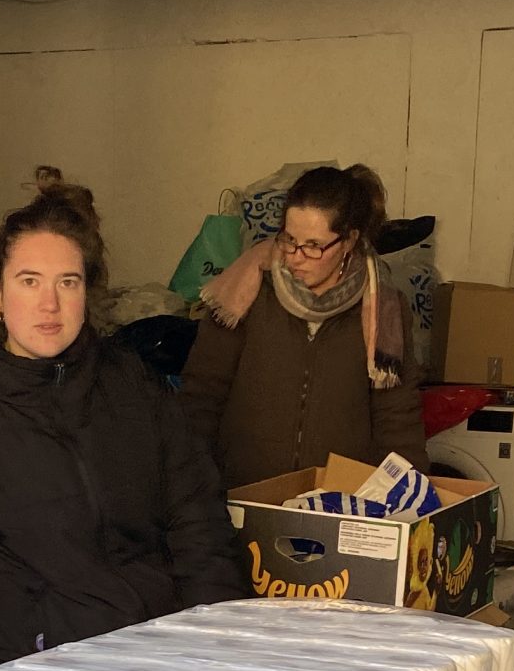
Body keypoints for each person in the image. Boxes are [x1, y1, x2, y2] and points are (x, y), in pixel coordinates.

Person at [0, 173, 250, 671]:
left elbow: (199, 525)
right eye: (29, 281)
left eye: (67, 282)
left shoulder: (132, 386)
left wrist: (223, 657)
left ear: (86, 293)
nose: (49, 304)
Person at [180, 164, 427, 487]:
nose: (295, 257)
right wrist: (190, 485)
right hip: (243, 493)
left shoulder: (383, 308)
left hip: (338, 500)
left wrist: (413, 495)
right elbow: (201, 396)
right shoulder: (245, 290)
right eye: (289, 239)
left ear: (349, 241)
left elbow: (397, 418)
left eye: (313, 245)